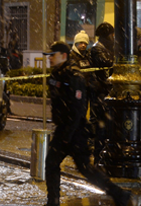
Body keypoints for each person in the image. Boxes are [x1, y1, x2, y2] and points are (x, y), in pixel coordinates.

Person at [43, 41, 133, 206]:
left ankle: (119, 194)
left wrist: (68, 135)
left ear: (63, 56)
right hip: (65, 128)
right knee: (52, 163)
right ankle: (53, 201)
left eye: (52, 55)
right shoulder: (57, 73)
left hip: (75, 130)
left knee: (86, 170)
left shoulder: (74, 76)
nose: (49, 59)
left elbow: (79, 108)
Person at [88, 22, 114, 163]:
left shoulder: (105, 48)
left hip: (102, 91)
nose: (113, 37)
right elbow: (107, 63)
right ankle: (98, 154)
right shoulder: (97, 49)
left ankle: (101, 152)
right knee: (100, 124)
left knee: (104, 124)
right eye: (111, 34)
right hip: (98, 92)